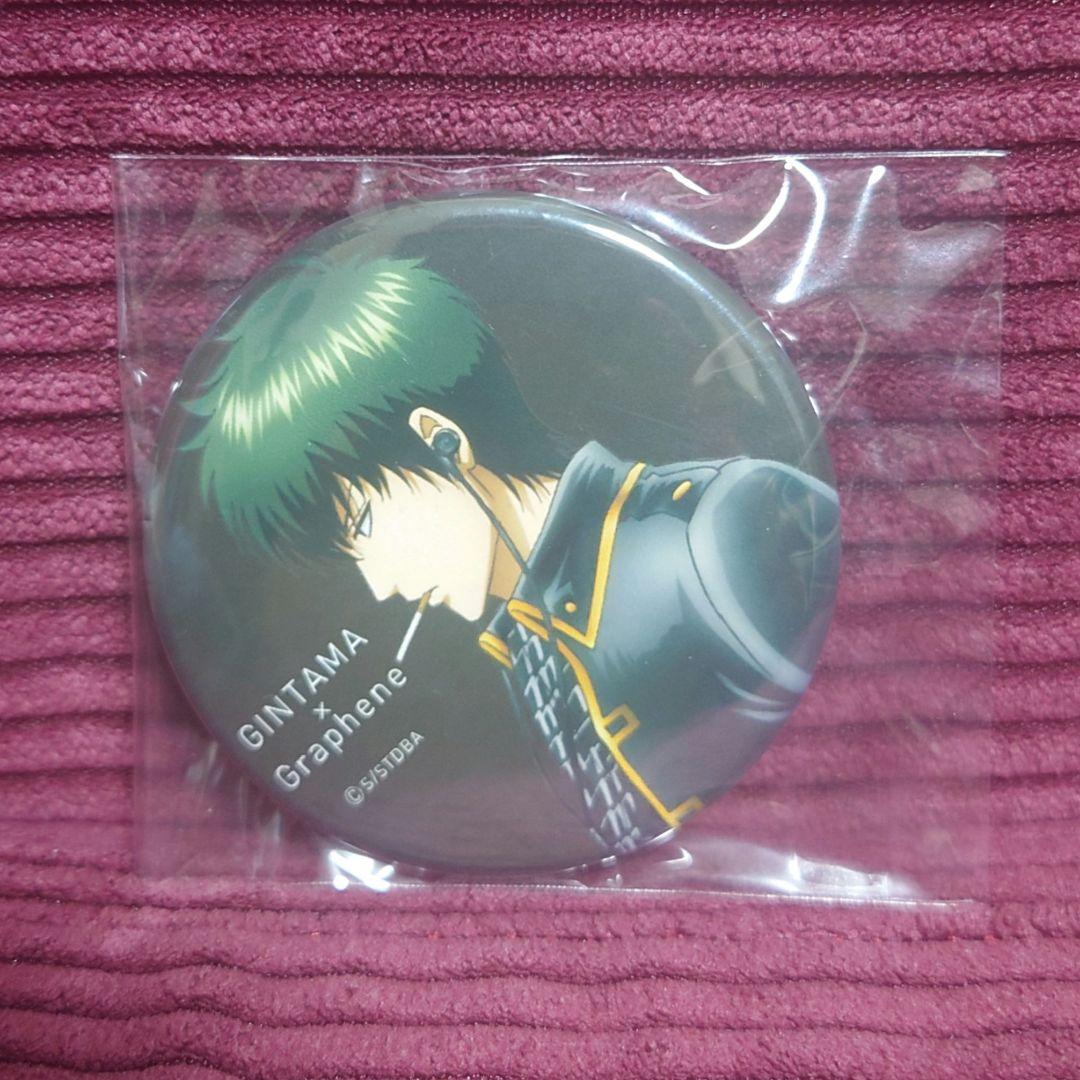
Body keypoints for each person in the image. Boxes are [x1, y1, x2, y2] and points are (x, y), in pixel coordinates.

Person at [184, 254, 840, 857]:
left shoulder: (721, 522)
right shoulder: (526, 637)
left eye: (362, 524)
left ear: (441, 439)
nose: (379, 586)